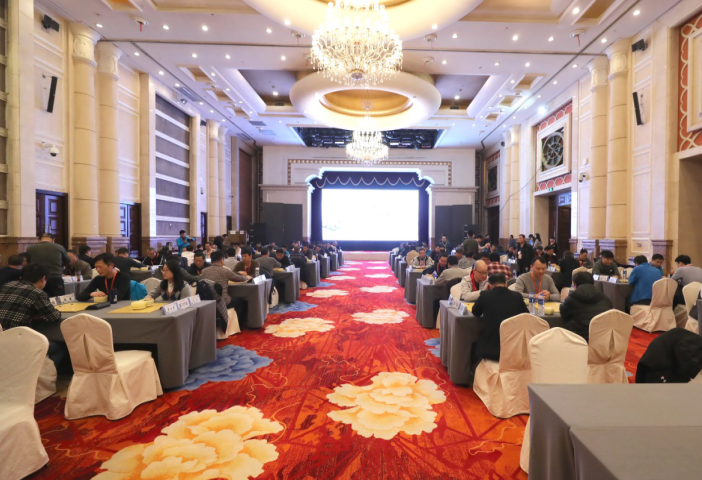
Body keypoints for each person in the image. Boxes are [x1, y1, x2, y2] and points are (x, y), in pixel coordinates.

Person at [0, 264, 65, 368]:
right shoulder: (37, 293)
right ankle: (40, 374)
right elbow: (54, 317)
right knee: (60, 347)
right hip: (19, 341)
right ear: (43, 279)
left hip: (2, 338)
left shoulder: (7, 285)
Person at [471, 273, 529, 361]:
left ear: (490, 285)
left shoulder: (485, 295)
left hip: (490, 348)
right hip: (513, 345)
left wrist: (485, 292)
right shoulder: (517, 296)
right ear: (506, 284)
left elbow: (476, 312)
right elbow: (526, 314)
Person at [560, 272, 613, 342]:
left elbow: (563, 313)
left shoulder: (572, 297)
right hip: (601, 338)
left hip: (577, 338)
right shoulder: (604, 297)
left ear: (575, 285)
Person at [26, 233, 70, 297]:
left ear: (39, 240)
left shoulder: (31, 248)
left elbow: (28, 262)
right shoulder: (59, 247)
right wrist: (61, 266)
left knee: (38, 297)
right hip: (55, 276)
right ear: (53, 240)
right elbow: (67, 260)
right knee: (57, 298)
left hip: (38, 278)